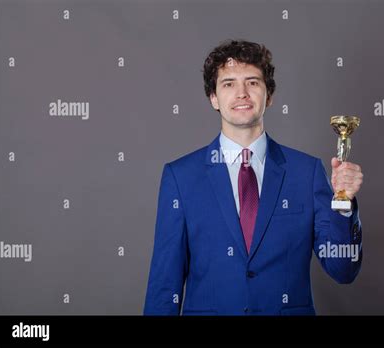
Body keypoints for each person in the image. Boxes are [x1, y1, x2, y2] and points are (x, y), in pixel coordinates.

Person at [144, 39, 364, 316]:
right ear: (213, 98)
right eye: (228, 84)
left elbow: (343, 270)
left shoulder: (305, 172)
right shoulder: (180, 177)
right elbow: (165, 285)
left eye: (252, 82)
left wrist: (344, 207)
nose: (242, 94)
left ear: (269, 95)